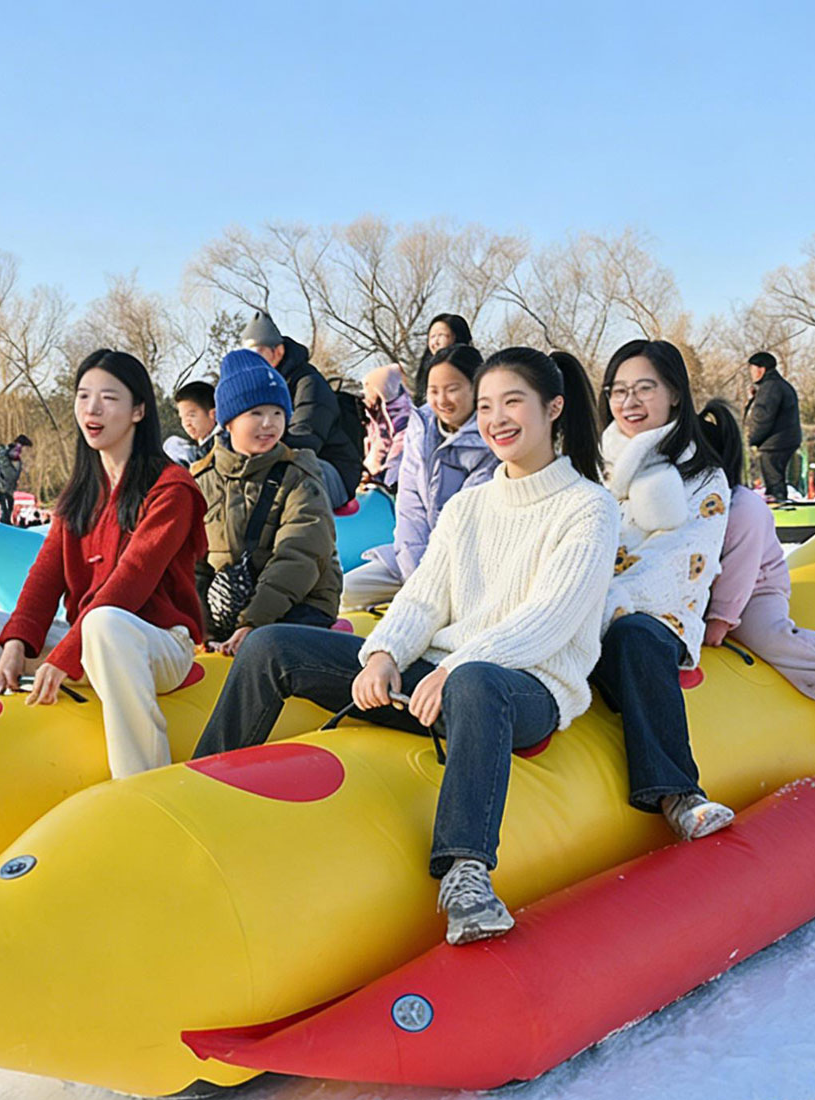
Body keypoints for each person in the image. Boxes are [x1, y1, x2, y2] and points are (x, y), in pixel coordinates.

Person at [195, 347, 617, 945]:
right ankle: (197, 790)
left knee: (475, 681)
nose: (497, 418)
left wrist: (460, 666)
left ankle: (465, 873)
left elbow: (550, 616)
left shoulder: (588, 507)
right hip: (437, 677)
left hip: (525, 686)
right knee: (271, 646)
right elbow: (423, 596)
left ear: (554, 408)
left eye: (513, 403)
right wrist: (383, 655)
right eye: (488, 404)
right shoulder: (470, 505)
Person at [0, 349, 208, 779]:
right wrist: (17, 642)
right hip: (88, 641)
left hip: (157, 645)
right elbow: (44, 578)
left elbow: (129, 585)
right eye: (83, 396)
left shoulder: (171, 489)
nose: (92, 409)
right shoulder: (81, 490)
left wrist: (65, 655)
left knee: (105, 624)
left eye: (109, 398)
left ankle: (142, 783)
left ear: (138, 411)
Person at [595, 339, 739, 842]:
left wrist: (611, 602)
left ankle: (678, 793)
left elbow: (681, 563)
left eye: (644, 389)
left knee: (634, 635)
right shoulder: (593, 465)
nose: (628, 402)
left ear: (675, 394)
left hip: (654, 618)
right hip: (581, 610)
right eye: (618, 390)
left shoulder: (703, 476)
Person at [704, 447, 815, 744]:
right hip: (702, 589)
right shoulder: (678, 500)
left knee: (765, 634)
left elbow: (741, 571)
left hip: (758, 588)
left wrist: (721, 618)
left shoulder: (744, 508)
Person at [192, 349, 343, 652]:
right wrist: (202, 628)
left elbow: (300, 553)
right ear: (229, 421)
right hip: (230, 606)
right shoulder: (200, 479)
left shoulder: (300, 473)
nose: (269, 424)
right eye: (256, 413)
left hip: (301, 603)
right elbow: (193, 566)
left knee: (265, 647)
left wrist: (255, 622)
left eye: (277, 413)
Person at [340, 345, 492, 612]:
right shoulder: (421, 426)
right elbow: (410, 507)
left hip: (468, 568)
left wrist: (431, 586)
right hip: (413, 562)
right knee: (344, 593)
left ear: (477, 387)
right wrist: (416, 577)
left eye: (452, 389)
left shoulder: (492, 438)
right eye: (434, 391)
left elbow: (466, 522)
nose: (442, 399)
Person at [241, 311, 360, 508]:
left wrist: (260, 452)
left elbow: (305, 439)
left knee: (287, 474)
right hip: (284, 461)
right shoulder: (260, 389)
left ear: (277, 352)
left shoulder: (309, 384)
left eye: (257, 353)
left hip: (329, 469)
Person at [743, 352, 802, 499]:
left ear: (761, 370)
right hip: (784, 440)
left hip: (775, 443)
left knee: (774, 481)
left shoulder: (770, 387)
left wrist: (751, 439)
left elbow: (762, 417)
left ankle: (779, 506)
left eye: (752, 369)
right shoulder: (778, 385)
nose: (751, 374)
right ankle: (778, 501)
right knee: (776, 478)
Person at [360, 363, 417, 489]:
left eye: (367, 387)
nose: (364, 393)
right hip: (375, 479)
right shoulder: (376, 415)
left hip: (393, 484)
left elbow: (399, 450)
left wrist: (387, 479)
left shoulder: (403, 419)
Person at [412, 313, 474, 403]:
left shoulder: (470, 368)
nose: (435, 342)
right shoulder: (425, 369)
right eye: (432, 336)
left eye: (442, 335)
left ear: (457, 336)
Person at [168, 381, 218, 467]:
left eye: (191, 415)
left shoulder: (225, 446)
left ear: (213, 415)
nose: (186, 423)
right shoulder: (184, 450)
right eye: (182, 418)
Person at [0, 436, 27, 524]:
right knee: (4, 506)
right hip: (0, 488)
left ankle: (6, 521)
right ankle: (4, 521)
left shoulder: (16, 462)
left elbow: (13, 477)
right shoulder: (3, 459)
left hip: (8, 489)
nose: (17, 454)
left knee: (10, 503)